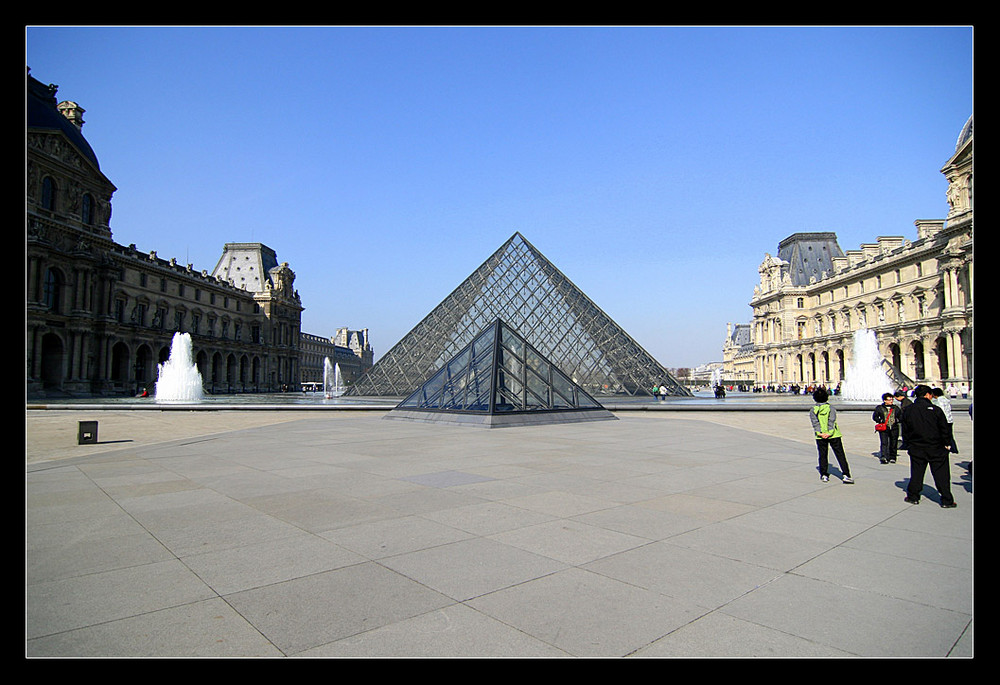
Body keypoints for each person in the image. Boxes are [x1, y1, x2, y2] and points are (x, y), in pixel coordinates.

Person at [900, 385, 956, 507]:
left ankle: (913, 496)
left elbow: (905, 429)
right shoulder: (936, 410)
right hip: (936, 447)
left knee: (917, 473)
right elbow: (944, 429)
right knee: (941, 474)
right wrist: (947, 443)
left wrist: (907, 443)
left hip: (916, 446)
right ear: (927, 395)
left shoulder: (908, 410)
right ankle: (947, 500)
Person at [810, 387, 853, 484]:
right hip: (834, 435)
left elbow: (815, 423)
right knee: (840, 455)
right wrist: (829, 433)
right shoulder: (831, 408)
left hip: (820, 436)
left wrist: (820, 433)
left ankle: (824, 474)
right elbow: (831, 421)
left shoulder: (813, 409)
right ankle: (846, 474)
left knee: (823, 455)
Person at [872, 392, 899, 464]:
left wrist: (897, 420)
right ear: (885, 400)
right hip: (884, 428)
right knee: (884, 442)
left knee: (893, 443)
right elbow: (875, 417)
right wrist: (880, 420)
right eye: (889, 400)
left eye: (892, 400)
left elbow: (900, 416)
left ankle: (892, 457)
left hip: (894, 427)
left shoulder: (895, 408)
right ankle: (884, 456)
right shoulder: (880, 408)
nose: (891, 401)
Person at [931, 387, 959, 453]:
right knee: (950, 435)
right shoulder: (946, 399)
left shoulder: (938, 400)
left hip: (943, 420)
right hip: (949, 419)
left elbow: (940, 410)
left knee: (943, 434)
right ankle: (953, 448)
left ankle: (946, 446)